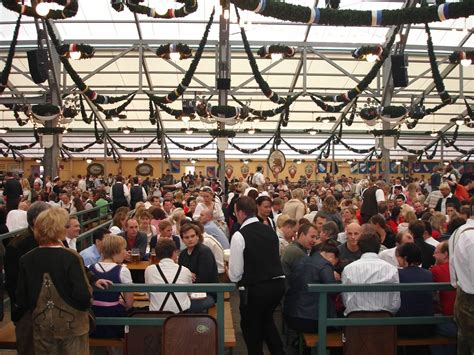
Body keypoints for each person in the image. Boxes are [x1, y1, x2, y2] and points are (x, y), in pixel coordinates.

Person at [16, 207, 92, 354]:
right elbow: (83, 294)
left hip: (42, 326)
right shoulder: (71, 257)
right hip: (73, 327)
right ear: (59, 229)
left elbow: (22, 297)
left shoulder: (26, 259)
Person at [229, 196, 285, 355]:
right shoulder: (270, 231)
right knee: (267, 322)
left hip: (257, 289)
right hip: (278, 285)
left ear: (240, 212)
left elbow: (235, 274)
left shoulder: (240, 235)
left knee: (250, 328)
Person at [4, 201, 51, 355]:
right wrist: (25, 309)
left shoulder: (54, 239)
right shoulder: (17, 246)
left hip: (52, 312)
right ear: (35, 221)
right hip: (28, 314)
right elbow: (13, 284)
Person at [283, 240, 339, 333]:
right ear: (333, 257)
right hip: (311, 319)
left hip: (291, 314)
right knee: (341, 325)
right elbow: (332, 290)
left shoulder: (303, 260)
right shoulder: (325, 265)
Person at [341, 229, 400, 316]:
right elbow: (395, 303)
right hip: (384, 321)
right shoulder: (391, 269)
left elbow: (345, 300)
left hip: (355, 321)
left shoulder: (348, 269)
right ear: (379, 246)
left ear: (359, 247)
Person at [89, 235, 134, 338]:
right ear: (117, 251)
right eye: (124, 249)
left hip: (93, 316)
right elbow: (130, 303)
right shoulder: (123, 270)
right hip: (113, 316)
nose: (126, 252)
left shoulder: (90, 268)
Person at [449, 207, 474, 355]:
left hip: (463, 297)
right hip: (470, 301)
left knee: (464, 345)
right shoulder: (471, 238)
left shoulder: (459, 233)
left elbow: (453, 277)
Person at [396, 244, 434, 340]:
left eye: (398, 257)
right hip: (427, 327)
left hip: (403, 327)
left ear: (405, 258)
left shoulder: (398, 275)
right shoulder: (428, 274)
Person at [145, 239, 193, 313]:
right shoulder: (185, 271)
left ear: (157, 254)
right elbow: (190, 294)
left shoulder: (149, 270)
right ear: (174, 253)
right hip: (182, 316)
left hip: (157, 315)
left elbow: (149, 295)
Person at [178, 223, 218, 310]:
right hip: (188, 293)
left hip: (207, 295)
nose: (190, 239)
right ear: (182, 239)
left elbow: (203, 280)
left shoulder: (204, 252)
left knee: (183, 306)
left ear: (198, 236)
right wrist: (189, 274)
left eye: (192, 236)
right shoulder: (183, 254)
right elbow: (179, 276)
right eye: (187, 237)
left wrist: (186, 275)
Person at [430, 241, 457, 355]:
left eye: (436, 253)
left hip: (448, 321)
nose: (433, 256)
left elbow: (430, 295)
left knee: (429, 326)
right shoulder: (460, 269)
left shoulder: (436, 270)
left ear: (445, 254)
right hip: (463, 320)